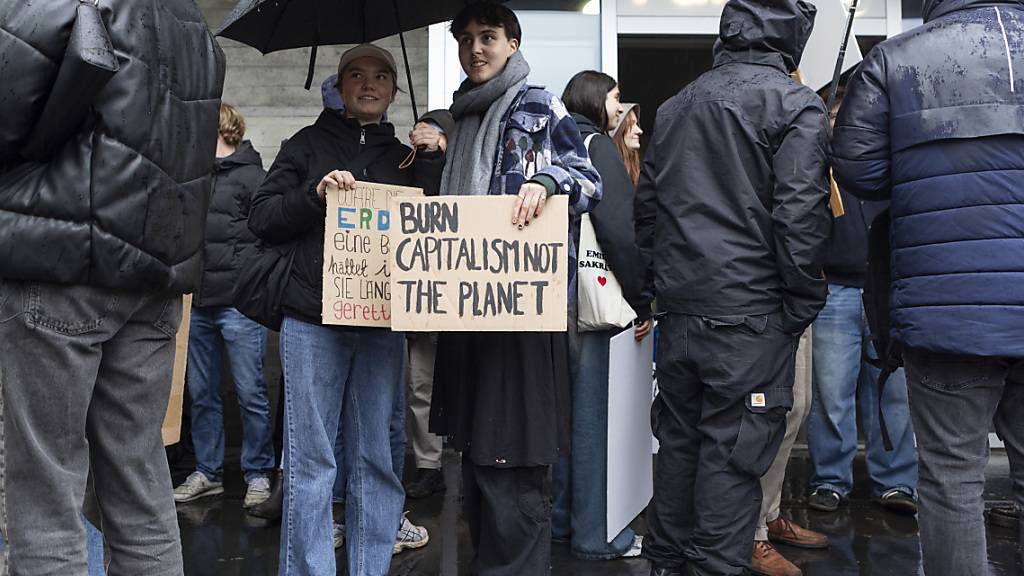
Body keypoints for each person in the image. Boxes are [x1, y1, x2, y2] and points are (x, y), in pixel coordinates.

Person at [0, 1, 225, 574]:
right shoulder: (194, 25)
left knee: (46, 498)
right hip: (155, 273)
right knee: (140, 484)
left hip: (63, 259)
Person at [634, 0, 831, 573]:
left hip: (684, 316)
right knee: (731, 465)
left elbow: (648, 213)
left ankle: (666, 564)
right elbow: (800, 215)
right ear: (791, 36)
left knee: (679, 453)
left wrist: (652, 289)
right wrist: (801, 300)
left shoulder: (676, 106)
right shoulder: (796, 103)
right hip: (750, 317)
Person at [831, 0, 1024, 571]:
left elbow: (859, 170)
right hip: (953, 307)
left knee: (950, 478)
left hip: (947, 314)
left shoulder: (897, 58)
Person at [417, 3, 601, 574]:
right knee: (476, 461)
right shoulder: (459, 118)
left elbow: (588, 177)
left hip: (523, 315)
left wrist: (547, 181)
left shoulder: (538, 103)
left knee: (513, 463)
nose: (476, 48)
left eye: (488, 37)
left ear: (513, 42)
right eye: (466, 39)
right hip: (468, 310)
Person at [246, 44, 443, 576]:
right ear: (340, 85)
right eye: (357, 74)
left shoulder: (406, 155)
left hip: (380, 325)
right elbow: (261, 218)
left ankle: (370, 567)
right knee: (311, 463)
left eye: (381, 76)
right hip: (311, 321)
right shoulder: (305, 145)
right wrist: (314, 195)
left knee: (377, 460)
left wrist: (431, 159)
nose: (369, 83)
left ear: (395, 92)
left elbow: (435, 233)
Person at [551, 70, 652, 560]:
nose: (618, 108)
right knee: (594, 422)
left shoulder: (549, 137)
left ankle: (561, 523)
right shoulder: (595, 145)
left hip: (551, 298)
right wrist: (643, 297)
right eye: (615, 98)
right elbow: (619, 229)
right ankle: (597, 535)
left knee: (566, 419)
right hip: (590, 305)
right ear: (594, 100)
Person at [806, 85, 918, 518]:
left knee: (893, 395)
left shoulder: (891, 162)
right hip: (833, 291)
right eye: (834, 117)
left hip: (888, 292)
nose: (842, 123)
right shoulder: (818, 166)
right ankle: (830, 481)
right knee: (831, 397)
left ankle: (896, 483)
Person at [173, 103, 276, 509]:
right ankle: (209, 472)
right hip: (196, 302)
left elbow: (269, 236)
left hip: (239, 305)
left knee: (251, 392)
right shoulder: (192, 178)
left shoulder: (253, 176)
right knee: (201, 393)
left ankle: (258, 474)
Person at [751, 331, 825, 576]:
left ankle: (769, 514)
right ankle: (751, 531)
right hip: (769, 305)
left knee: (798, 406)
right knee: (773, 411)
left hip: (800, 302)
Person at [611, 104, 642, 186]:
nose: (639, 131)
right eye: (631, 125)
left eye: (637, 124)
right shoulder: (610, 171)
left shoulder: (637, 170)